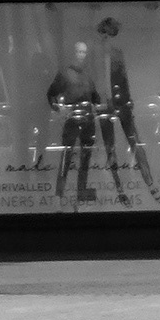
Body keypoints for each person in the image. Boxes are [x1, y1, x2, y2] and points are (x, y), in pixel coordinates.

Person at [93, 18, 160, 205]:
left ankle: (150, 184)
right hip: (103, 107)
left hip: (121, 104)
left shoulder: (117, 54)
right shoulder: (94, 56)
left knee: (135, 143)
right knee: (110, 148)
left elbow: (123, 80)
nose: (105, 38)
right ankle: (120, 190)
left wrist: (128, 100)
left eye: (109, 34)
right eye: (103, 34)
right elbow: (92, 84)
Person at [47, 41, 103, 206]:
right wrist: (59, 109)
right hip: (72, 120)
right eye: (78, 51)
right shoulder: (65, 74)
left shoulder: (88, 74)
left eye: (84, 52)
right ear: (73, 53)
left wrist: (98, 104)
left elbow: (95, 97)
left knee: (86, 158)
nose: (81, 55)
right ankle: (59, 195)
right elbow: (51, 95)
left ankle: (81, 193)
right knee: (66, 157)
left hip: (88, 120)